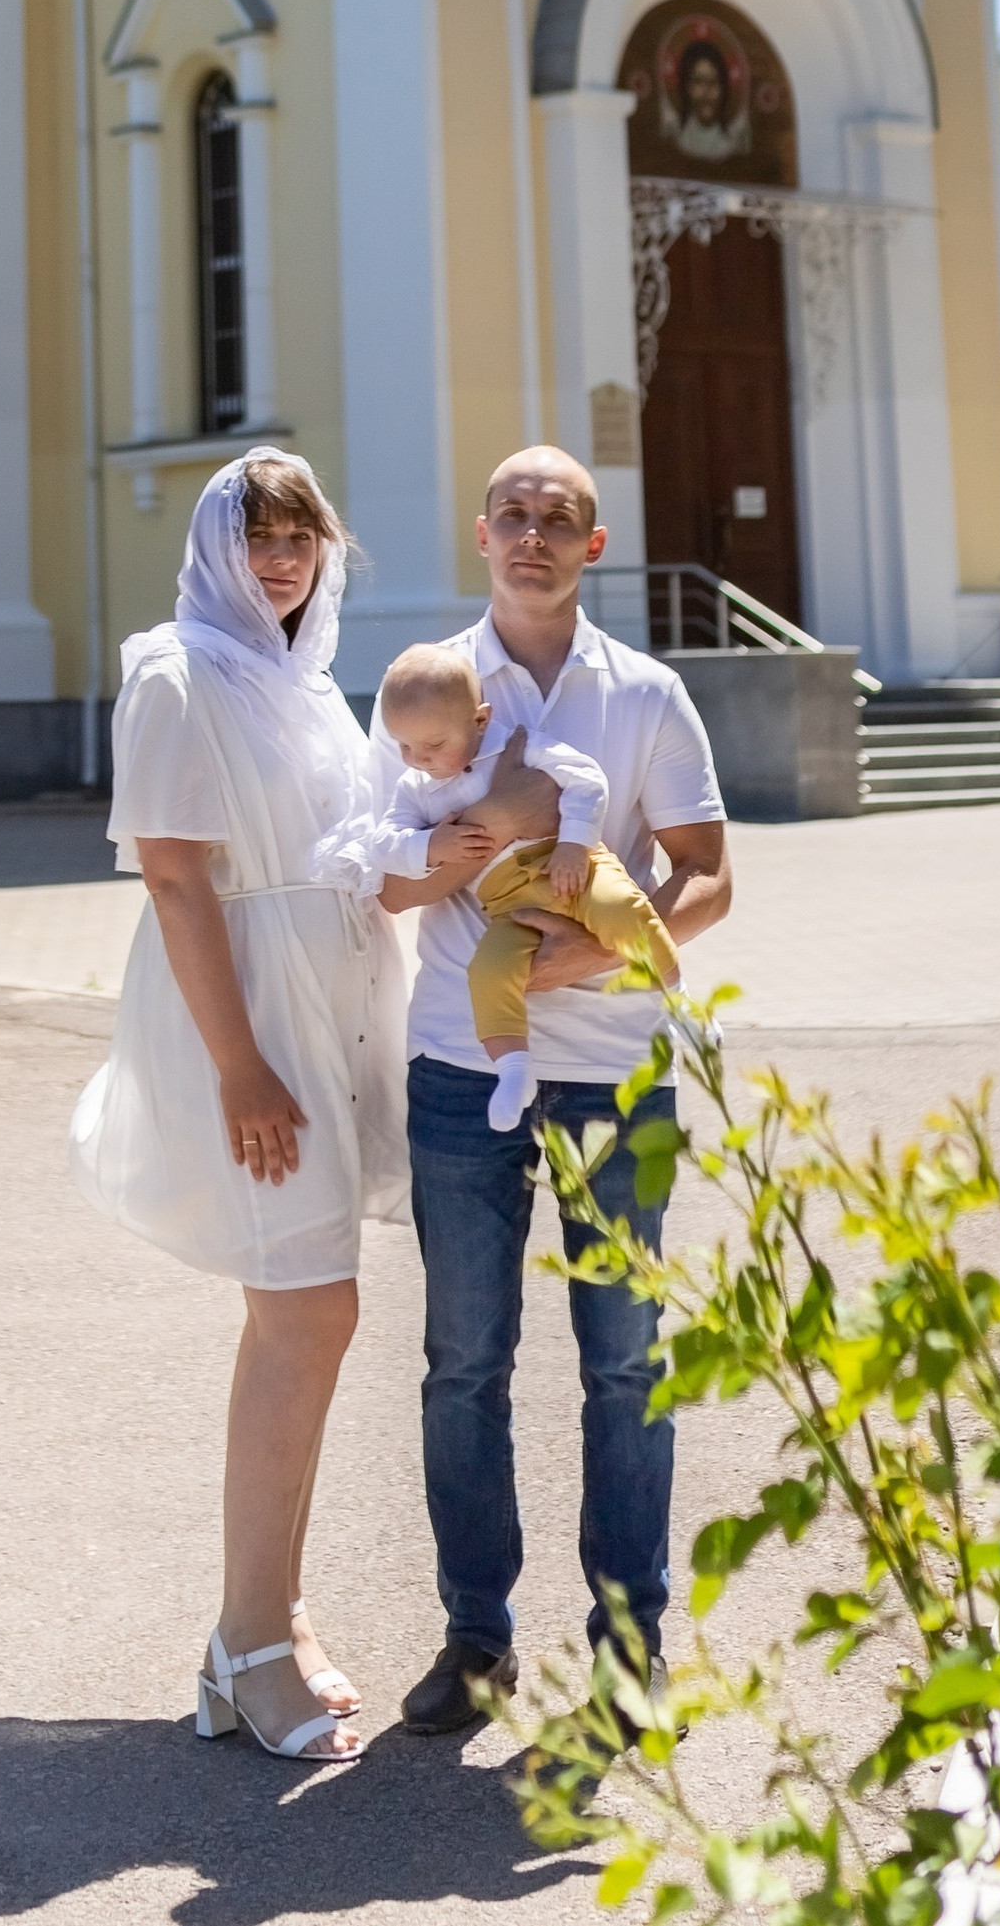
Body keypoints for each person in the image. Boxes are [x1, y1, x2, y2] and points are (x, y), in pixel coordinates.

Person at [371, 444, 731, 1737]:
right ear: (482, 535)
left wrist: (602, 944)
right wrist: (464, 843)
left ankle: (631, 1650)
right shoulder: (421, 689)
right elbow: (383, 876)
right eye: (513, 513)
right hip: (462, 1072)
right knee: (462, 1364)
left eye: (557, 517)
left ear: (594, 543)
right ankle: (477, 1637)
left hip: (614, 1071)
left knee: (624, 1366)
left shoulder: (646, 696)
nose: (533, 532)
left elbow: (706, 873)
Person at [68, 449, 406, 1765]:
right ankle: (249, 1639)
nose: (280, 559)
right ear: (218, 544)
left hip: (324, 1019)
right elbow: (173, 878)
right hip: (249, 1028)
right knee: (307, 1308)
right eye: (258, 534)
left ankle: (263, 1626)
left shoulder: (304, 684)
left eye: (301, 536)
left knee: (309, 1310)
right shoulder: (177, 666)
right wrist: (241, 1066)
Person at [316, 638, 681, 1129]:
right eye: (404, 746)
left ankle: (682, 1008)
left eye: (433, 746)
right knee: (488, 972)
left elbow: (586, 780)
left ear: (480, 720)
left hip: (573, 867)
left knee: (626, 913)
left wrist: (575, 842)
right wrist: (429, 847)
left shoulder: (517, 745)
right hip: (508, 903)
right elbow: (382, 846)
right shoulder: (416, 789)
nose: (418, 759)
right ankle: (512, 1067)